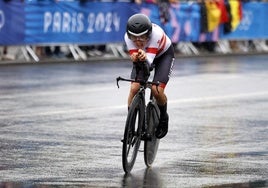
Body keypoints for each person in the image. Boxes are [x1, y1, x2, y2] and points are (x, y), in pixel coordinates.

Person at [124, 13, 175, 139]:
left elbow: (149, 62)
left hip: (163, 56)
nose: (137, 41)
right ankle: (131, 125)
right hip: (146, 57)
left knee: (156, 90)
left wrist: (141, 57)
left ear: (149, 34)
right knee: (134, 88)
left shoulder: (156, 35)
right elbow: (137, 62)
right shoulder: (127, 37)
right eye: (134, 38)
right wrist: (135, 58)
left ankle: (164, 117)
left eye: (142, 37)